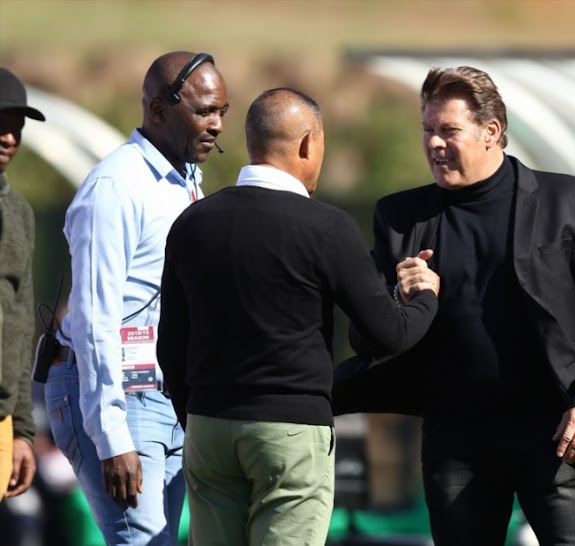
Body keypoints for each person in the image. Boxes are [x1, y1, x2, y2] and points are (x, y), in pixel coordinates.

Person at [333, 66, 575, 545]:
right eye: (428, 131)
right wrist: (400, 298)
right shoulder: (400, 217)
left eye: (449, 131)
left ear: (491, 132)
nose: (434, 143)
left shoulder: (568, 200)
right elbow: (363, 334)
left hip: (556, 431)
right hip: (457, 438)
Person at [157, 87, 439, 546]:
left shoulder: (193, 222)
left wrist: (197, 418)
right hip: (290, 431)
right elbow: (389, 334)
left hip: (207, 425)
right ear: (308, 143)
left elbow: (170, 345)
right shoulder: (327, 227)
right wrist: (424, 296)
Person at [42, 51, 228, 545]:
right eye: (204, 111)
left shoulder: (183, 179)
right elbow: (94, 317)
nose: (216, 125)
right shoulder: (115, 186)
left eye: (222, 113)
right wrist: (110, 435)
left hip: (164, 393)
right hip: (114, 394)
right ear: (159, 111)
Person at [0, 67, 44, 501]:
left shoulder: (19, 214)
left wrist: (22, 432)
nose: (9, 138)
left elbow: (18, 323)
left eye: (16, 129)